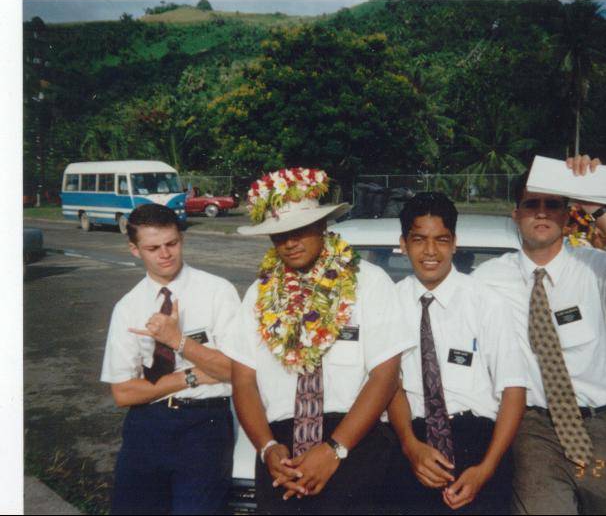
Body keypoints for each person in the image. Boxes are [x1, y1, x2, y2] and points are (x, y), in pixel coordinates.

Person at [473, 155, 606, 515]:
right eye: (531, 204)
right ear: (515, 213)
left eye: (553, 204)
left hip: (600, 430)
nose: (541, 213)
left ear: (567, 215)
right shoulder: (487, 278)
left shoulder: (594, 267)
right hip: (531, 433)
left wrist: (596, 204)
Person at [221, 167, 414, 515]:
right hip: (281, 454)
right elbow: (244, 379)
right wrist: (266, 448)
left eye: (299, 230)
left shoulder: (369, 282)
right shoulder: (258, 294)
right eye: (278, 234)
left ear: (323, 226)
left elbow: (385, 376)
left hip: (355, 441)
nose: (290, 242)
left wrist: (334, 450)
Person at [385, 192, 528, 513]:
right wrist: (410, 447)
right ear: (403, 243)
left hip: (477, 441)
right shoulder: (388, 304)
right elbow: (390, 384)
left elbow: (513, 389)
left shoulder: (487, 303)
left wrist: (486, 470)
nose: (431, 251)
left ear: (454, 243)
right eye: (419, 240)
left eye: (441, 240)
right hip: (412, 440)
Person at [100, 203, 240, 515]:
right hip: (146, 428)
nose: (165, 254)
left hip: (204, 426)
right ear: (135, 250)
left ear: (181, 240)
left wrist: (177, 341)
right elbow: (123, 392)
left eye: (172, 243)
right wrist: (190, 376)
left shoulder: (218, 292)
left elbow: (233, 369)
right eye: (153, 247)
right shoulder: (127, 307)